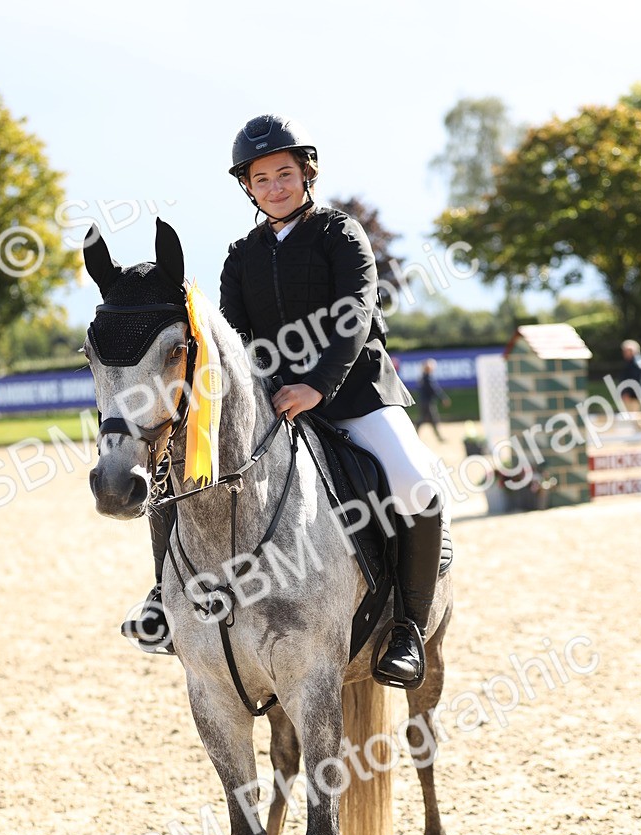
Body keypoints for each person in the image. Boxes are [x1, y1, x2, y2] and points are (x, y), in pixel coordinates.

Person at [124, 114, 446, 688]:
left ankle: (408, 629)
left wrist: (317, 384)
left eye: (284, 174)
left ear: (306, 174)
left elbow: (355, 314)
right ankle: (163, 599)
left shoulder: (341, 234)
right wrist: (259, 392)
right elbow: (237, 340)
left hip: (356, 394)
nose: (275, 187)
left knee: (415, 484)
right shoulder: (240, 255)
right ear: (248, 187)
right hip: (273, 403)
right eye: (262, 178)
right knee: (181, 471)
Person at [417, 358, 451, 442]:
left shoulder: (423, 377)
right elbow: (435, 390)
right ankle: (439, 437)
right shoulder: (427, 378)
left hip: (424, 402)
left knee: (423, 420)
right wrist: (443, 398)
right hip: (428, 403)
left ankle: (415, 435)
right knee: (432, 419)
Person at [618, 339, 641, 417]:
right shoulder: (637, 361)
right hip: (635, 393)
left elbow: (634, 379)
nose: (624, 353)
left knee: (633, 417)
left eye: (626, 351)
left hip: (633, 395)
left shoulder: (635, 363)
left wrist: (627, 393)